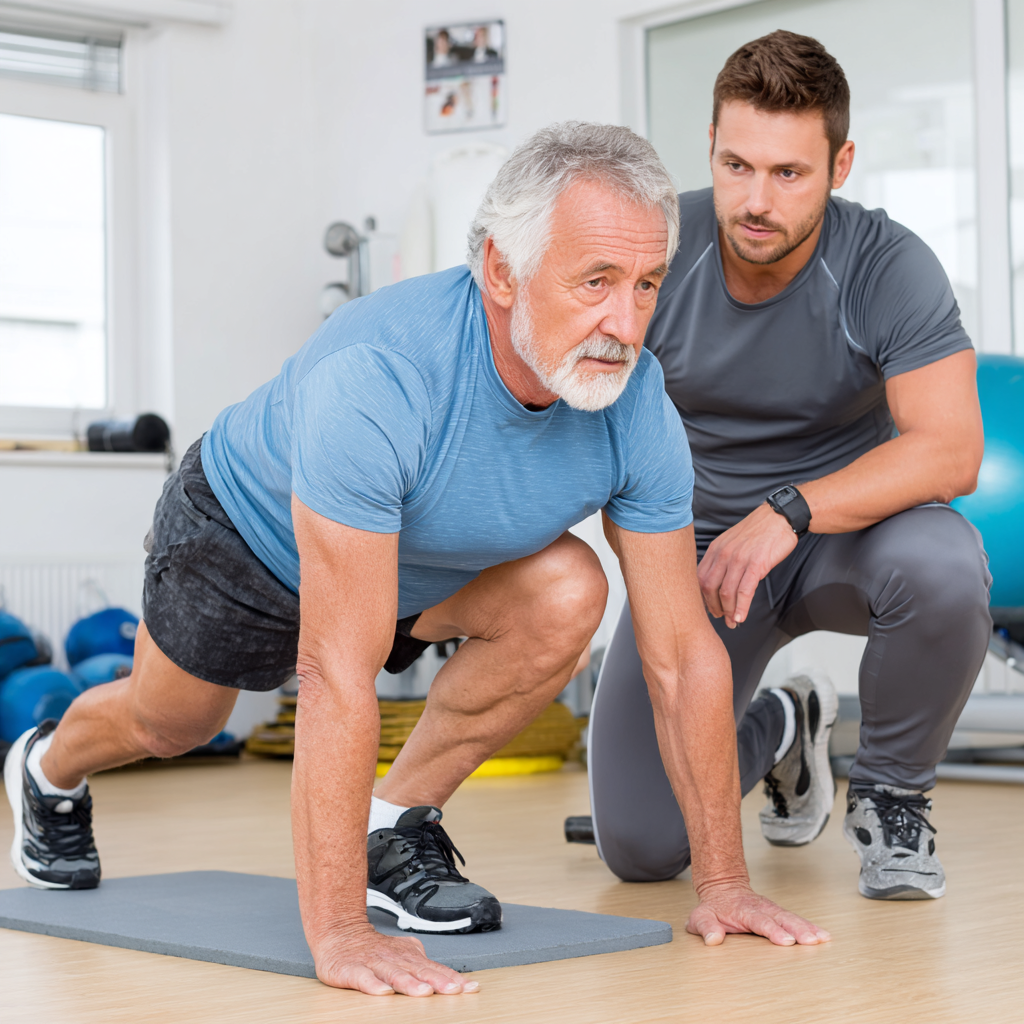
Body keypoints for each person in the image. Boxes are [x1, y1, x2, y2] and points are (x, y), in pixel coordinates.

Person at [3, 122, 830, 998]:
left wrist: (725, 885)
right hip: (244, 538)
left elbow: (681, 655)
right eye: (595, 282)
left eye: (646, 285)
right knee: (173, 723)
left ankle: (392, 823)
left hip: (413, 567)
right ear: (502, 272)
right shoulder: (381, 373)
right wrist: (338, 934)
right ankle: (46, 769)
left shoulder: (636, 406)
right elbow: (334, 673)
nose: (624, 323)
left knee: (566, 590)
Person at [587, 31, 990, 902]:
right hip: (700, 561)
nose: (755, 201)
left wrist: (788, 511)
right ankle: (782, 725)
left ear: (840, 164)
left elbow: (950, 451)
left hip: (845, 540)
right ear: (709, 149)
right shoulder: (657, 250)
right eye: (736, 166)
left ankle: (890, 796)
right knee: (644, 848)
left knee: (948, 563)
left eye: (788, 173)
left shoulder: (887, 264)